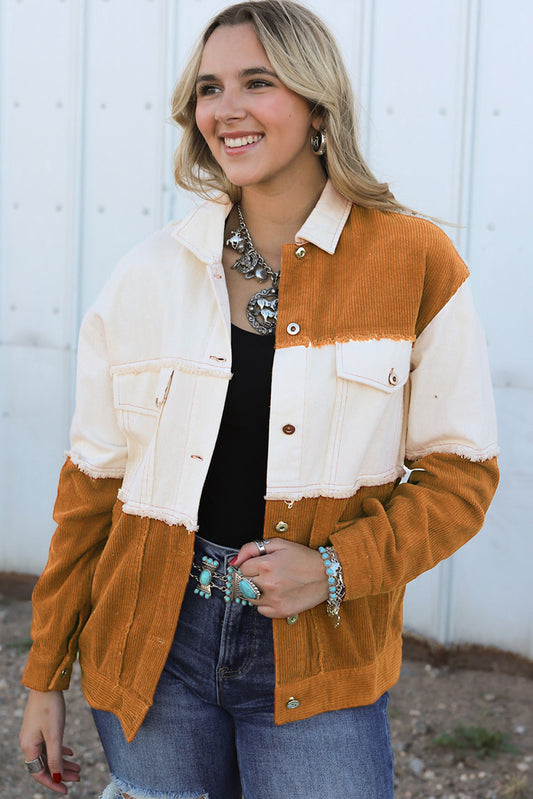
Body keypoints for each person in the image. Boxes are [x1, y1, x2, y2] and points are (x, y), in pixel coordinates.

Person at [19, 1, 499, 797]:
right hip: (152, 641)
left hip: (321, 648)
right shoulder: (149, 275)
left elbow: (461, 476)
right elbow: (92, 490)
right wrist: (44, 677)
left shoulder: (415, 261)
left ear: (316, 106)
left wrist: (334, 568)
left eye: (257, 82)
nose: (225, 109)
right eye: (209, 88)